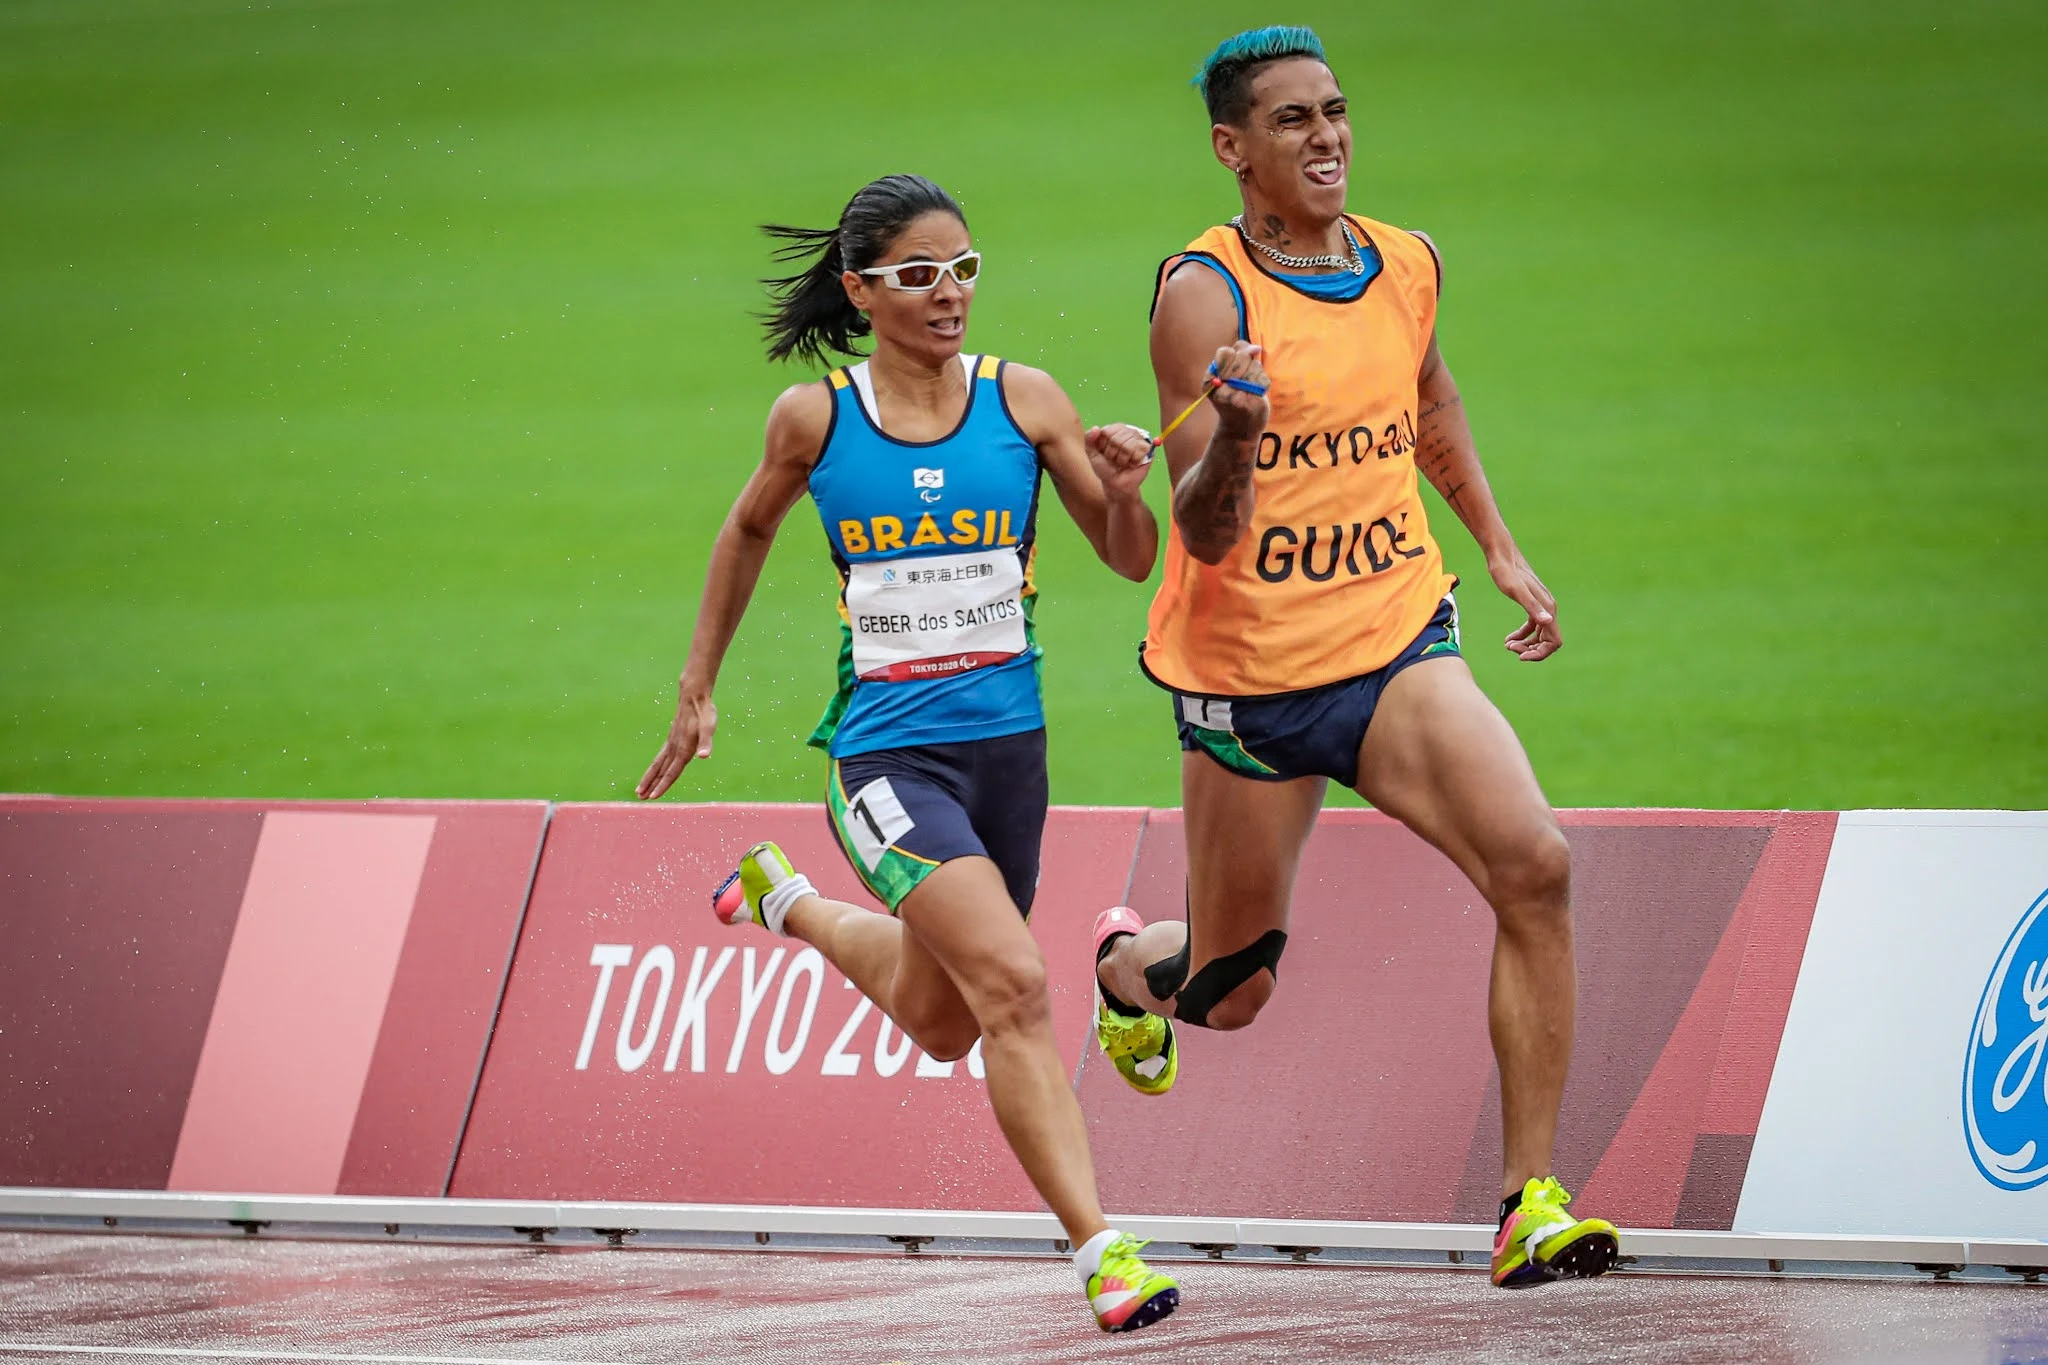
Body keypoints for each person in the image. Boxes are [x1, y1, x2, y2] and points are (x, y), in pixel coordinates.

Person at [1087, 27, 1621, 1289]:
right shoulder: (1201, 296)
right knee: (1226, 992)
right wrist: (1232, 434)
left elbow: (1425, 397)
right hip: (1249, 682)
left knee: (1534, 867)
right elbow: (1203, 535)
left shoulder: (1404, 262)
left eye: (1333, 112)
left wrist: (1494, 544)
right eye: (1289, 122)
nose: (1324, 137)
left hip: (1393, 636)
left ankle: (1527, 1204)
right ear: (1231, 150)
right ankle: (1121, 966)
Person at [634, 174, 1179, 1333]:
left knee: (946, 1020)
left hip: (1008, 761)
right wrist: (696, 687)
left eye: (965, 270)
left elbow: (1128, 558)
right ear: (859, 291)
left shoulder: (1024, 400)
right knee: (1018, 988)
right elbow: (743, 530)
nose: (949, 295)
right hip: (883, 763)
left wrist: (1129, 492)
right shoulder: (816, 421)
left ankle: (785, 902)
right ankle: (1102, 1254)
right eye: (919, 275)